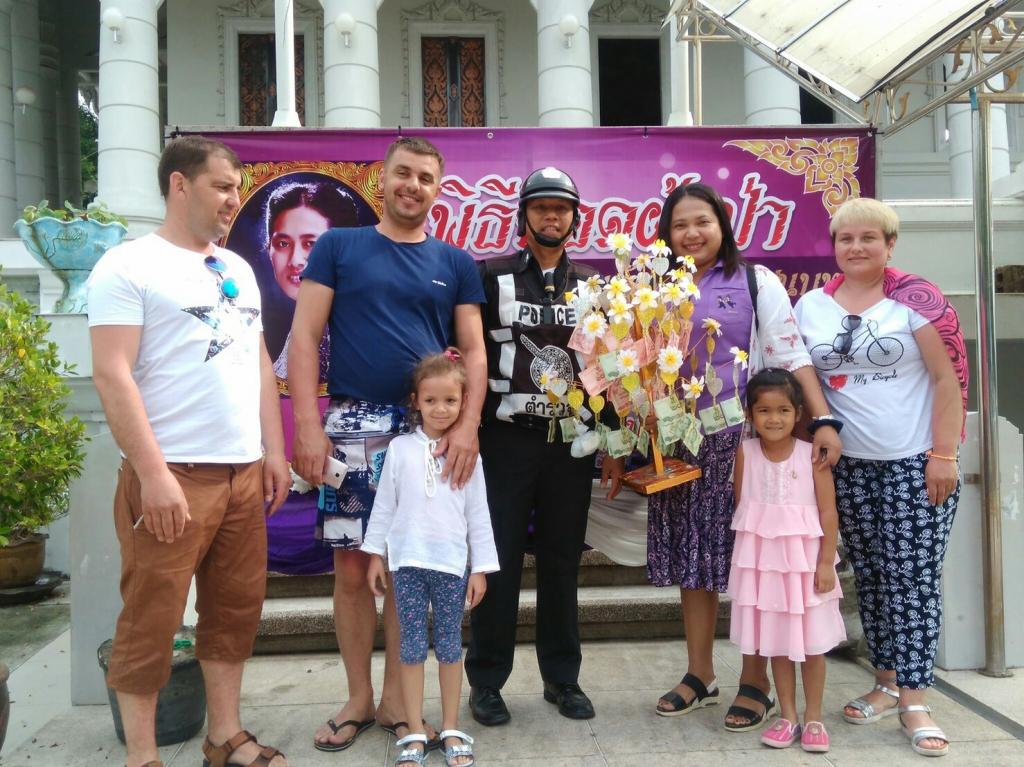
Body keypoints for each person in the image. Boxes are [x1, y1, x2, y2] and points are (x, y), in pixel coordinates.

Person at [86, 135, 291, 767]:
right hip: (172, 474)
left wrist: (273, 450)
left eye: (236, 189)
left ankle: (224, 736)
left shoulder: (238, 269)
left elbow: (259, 362)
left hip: (242, 474)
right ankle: (143, 756)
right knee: (151, 619)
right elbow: (111, 373)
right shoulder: (127, 266)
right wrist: (153, 475)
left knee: (233, 613)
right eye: (222, 186)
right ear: (180, 185)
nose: (233, 200)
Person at [289, 136, 487, 752]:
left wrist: (467, 425)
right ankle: (359, 698)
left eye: (425, 178)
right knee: (353, 570)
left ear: (437, 189)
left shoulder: (455, 261)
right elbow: (303, 336)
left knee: (410, 569)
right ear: (383, 177)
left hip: (427, 433)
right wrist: (306, 425)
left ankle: (401, 704)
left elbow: (474, 349)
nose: (413, 186)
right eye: (404, 173)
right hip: (353, 427)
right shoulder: (339, 247)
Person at [643, 182, 842, 732]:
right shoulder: (652, 285)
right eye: (680, 225)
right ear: (666, 234)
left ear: (722, 225)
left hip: (745, 444)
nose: (691, 234)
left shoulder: (756, 281)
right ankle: (700, 674)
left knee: (755, 560)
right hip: (680, 442)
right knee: (694, 561)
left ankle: (756, 681)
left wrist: (822, 419)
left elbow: (790, 354)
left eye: (702, 222)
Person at [794, 197, 964, 758]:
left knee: (912, 579)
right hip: (848, 467)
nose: (857, 247)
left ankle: (916, 700)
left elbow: (947, 380)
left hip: (915, 461)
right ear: (834, 246)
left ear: (890, 245)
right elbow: (802, 375)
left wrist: (944, 454)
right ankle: (887, 682)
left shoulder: (916, 300)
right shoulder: (812, 307)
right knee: (870, 576)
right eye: (846, 238)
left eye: (869, 237)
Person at [465, 167, 624, 726]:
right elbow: (468, 353)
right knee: (499, 562)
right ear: (524, 216)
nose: (551, 216)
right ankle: (486, 682)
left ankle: (563, 678)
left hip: (570, 446)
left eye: (561, 208)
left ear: (575, 218)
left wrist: (613, 442)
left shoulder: (596, 286)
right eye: (541, 207)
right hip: (505, 441)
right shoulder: (490, 277)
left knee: (561, 562)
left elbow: (608, 368)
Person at [362, 348, 499, 767]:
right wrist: (375, 554)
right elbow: (384, 505)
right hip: (407, 565)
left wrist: (480, 568)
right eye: (431, 400)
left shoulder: (467, 453)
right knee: (410, 648)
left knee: (450, 646)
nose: (441, 409)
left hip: (451, 566)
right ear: (416, 401)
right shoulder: (400, 449)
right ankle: (415, 729)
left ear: (464, 402)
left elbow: (478, 513)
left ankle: (452, 726)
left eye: (450, 400)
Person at [727, 368, 845, 752]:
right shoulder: (745, 453)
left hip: (806, 567)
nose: (774, 419)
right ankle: (788, 715)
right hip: (766, 569)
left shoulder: (811, 455)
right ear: (750, 414)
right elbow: (744, 508)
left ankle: (814, 717)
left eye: (783, 411)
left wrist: (826, 563)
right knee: (777, 643)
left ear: (798, 414)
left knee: (811, 646)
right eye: (764, 410)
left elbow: (828, 513)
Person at [260, 180, 358, 379]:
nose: (295, 260)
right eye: (283, 243)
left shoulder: (349, 330)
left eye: (311, 243)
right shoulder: (307, 323)